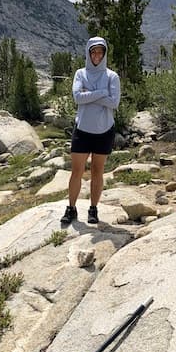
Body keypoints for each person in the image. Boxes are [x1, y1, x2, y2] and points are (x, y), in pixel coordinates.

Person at [63, 36, 121, 227]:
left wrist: (91, 94)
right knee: (76, 171)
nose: (97, 55)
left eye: (100, 51)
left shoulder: (112, 76)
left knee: (97, 171)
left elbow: (115, 103)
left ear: (104, 53)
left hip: (104, 130)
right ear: (88, 53)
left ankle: (93, 208)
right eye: (93, 51)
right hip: (83, 130)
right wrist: (103, 92)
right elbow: (78, 98)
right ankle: (71, 208)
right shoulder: (81, 74)